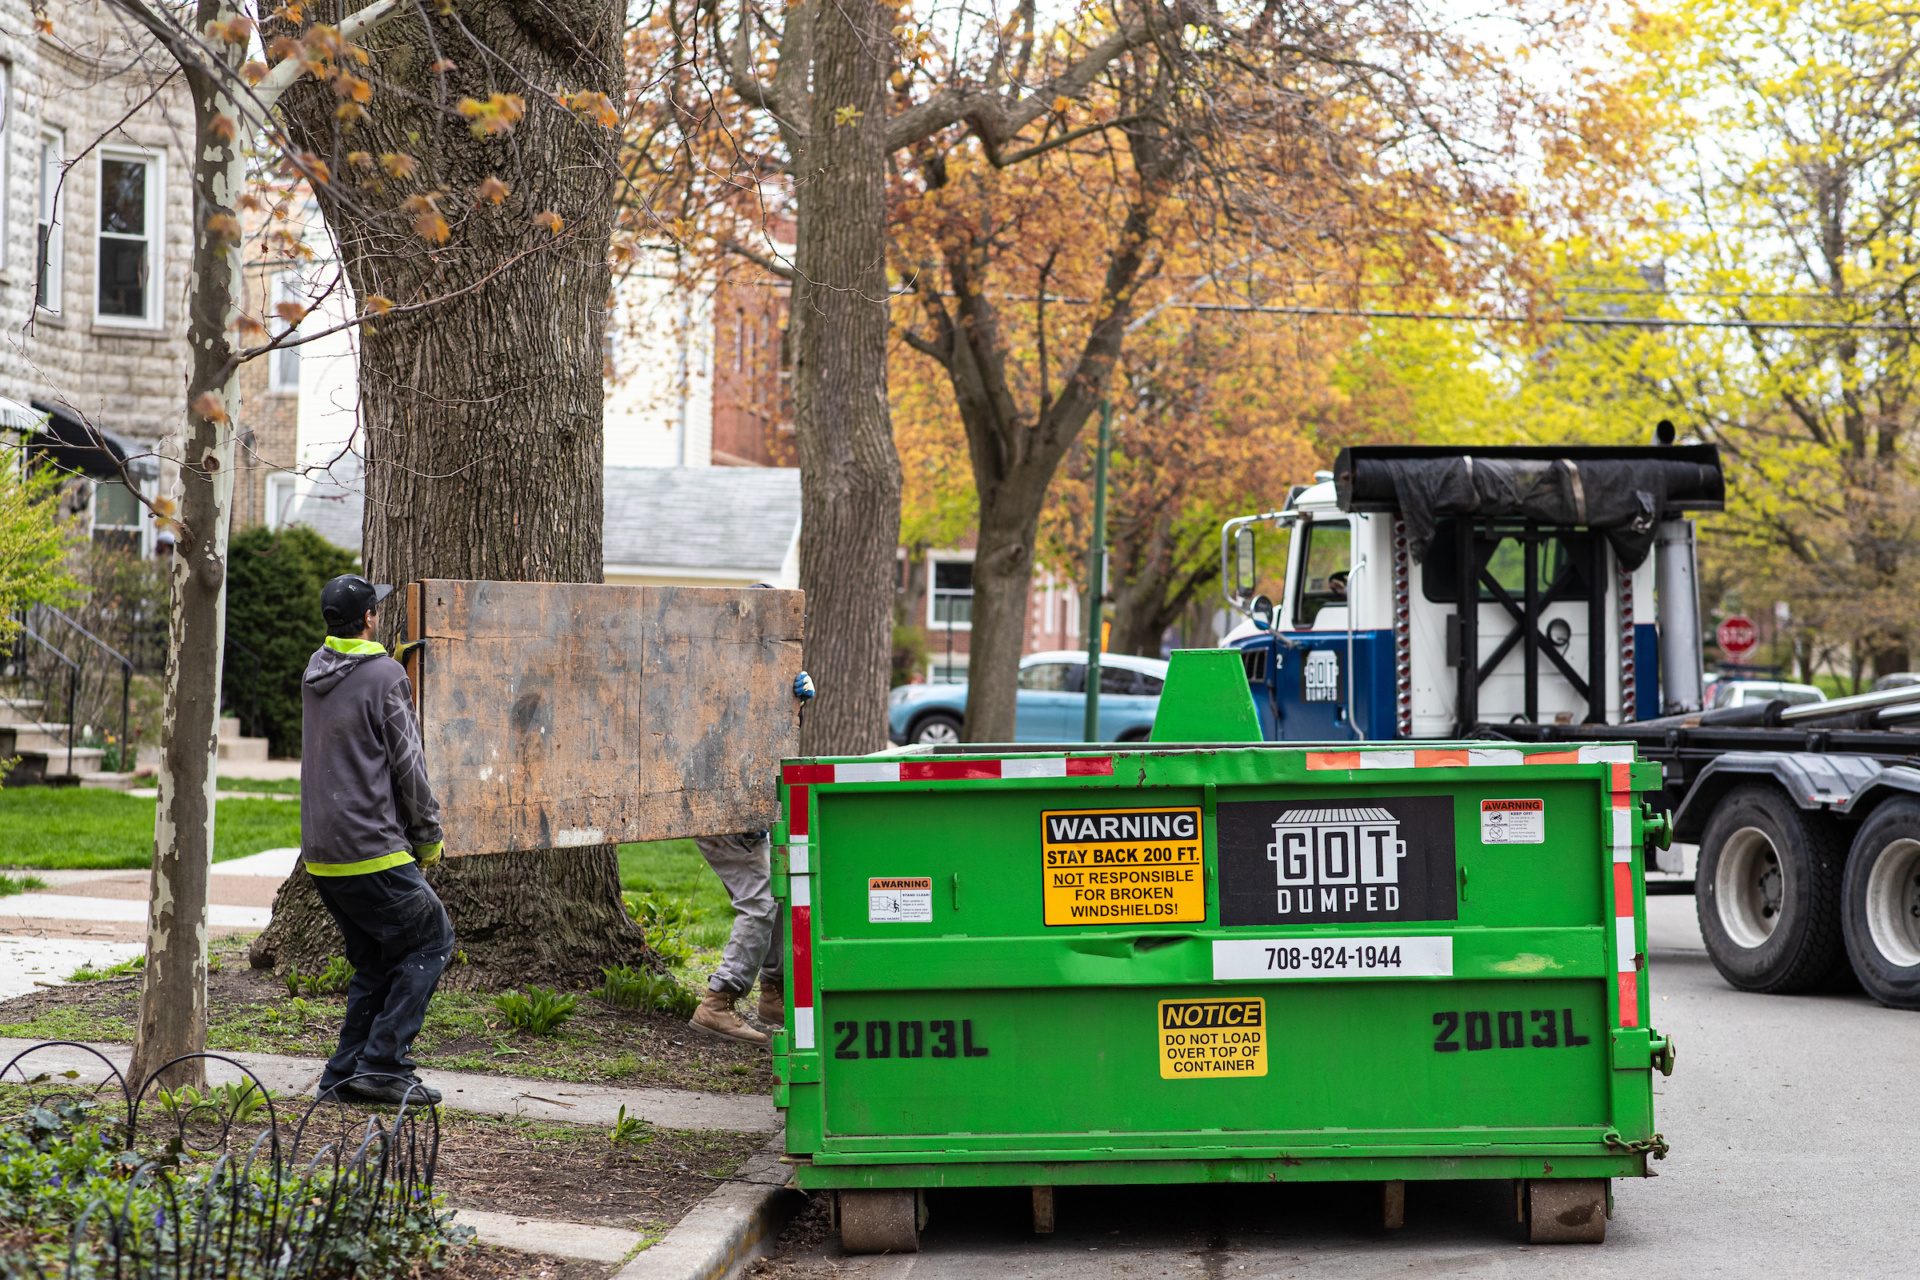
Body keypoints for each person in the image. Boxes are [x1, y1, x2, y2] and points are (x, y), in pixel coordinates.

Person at [301, 573, 454, 1105]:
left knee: (374, 961)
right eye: (376, 610)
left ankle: (345, 1073)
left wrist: (390, 665)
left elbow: (357, 711)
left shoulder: (315, 671)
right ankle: (385, 1064)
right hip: (372, 849)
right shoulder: (386, 675)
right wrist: (428, 837)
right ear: (368, 619)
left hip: (323, 856)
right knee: (433, 941)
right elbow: (408, 764)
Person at [690, 669, 815, 1046]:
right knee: (761, 901)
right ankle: (718, 1001)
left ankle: (774, 995)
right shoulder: (710, 673)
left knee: (778, 891)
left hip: (742, 803)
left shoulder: (758, 662)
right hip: (720, 803)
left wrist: (793, 704)